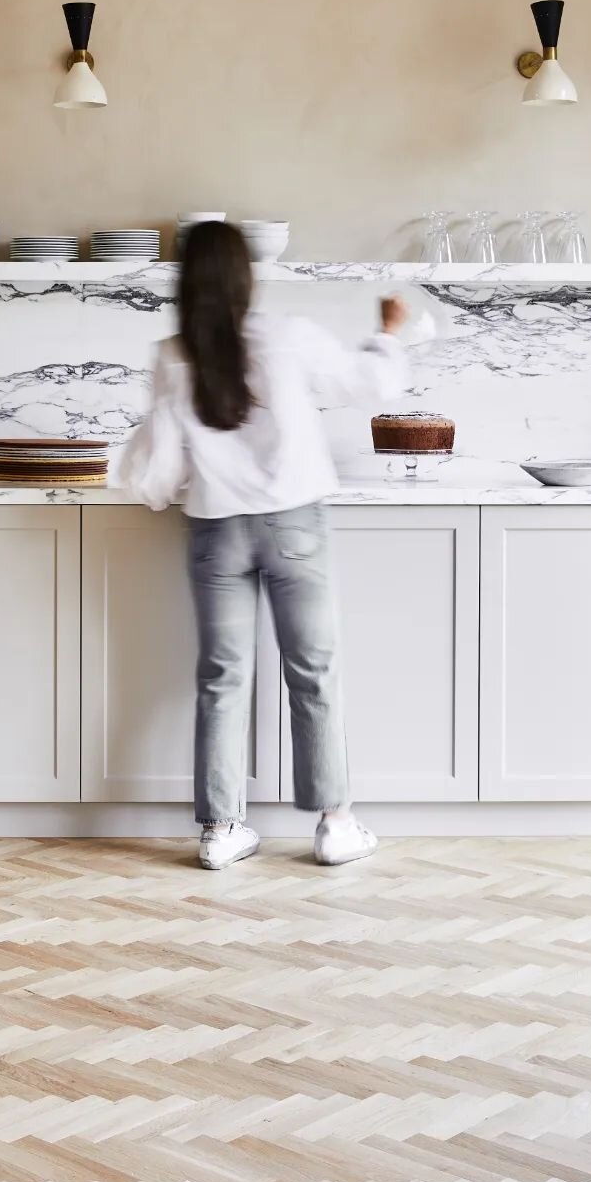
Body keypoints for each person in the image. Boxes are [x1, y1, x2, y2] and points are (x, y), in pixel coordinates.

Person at [117, 220, 411, 870]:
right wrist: (388, 334)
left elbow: (155, 472)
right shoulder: (289, 336)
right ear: (247, 277)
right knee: (313, 671)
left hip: (216, 531)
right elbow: (367, 385)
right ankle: (335, 824)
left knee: (222, 679)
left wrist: (164, 486)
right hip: (294, 525)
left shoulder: (173, 354)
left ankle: (222, 831)